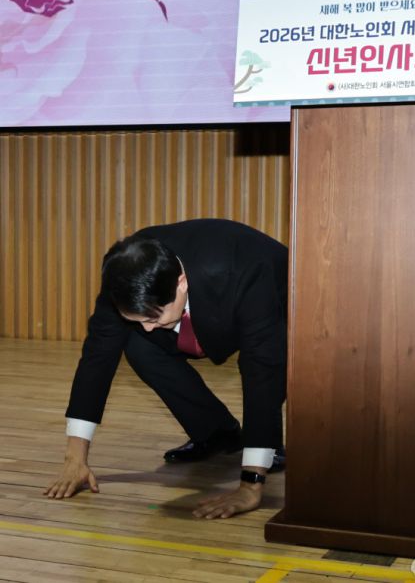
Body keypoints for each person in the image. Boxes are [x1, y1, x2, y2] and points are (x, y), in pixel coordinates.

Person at [44, 219, 287, 519]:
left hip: (283, 299)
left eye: (152, 318)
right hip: (208, 297)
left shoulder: (246, 272)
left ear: (181, 283)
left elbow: (263, 369)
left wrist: (251, 485)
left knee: (267, 362)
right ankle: (218, 434)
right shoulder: (125, 273)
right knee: (138, 344)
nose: (147, 327)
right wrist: (74, 459)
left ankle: (267, 447)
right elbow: (97, 356)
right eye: (139, 319)